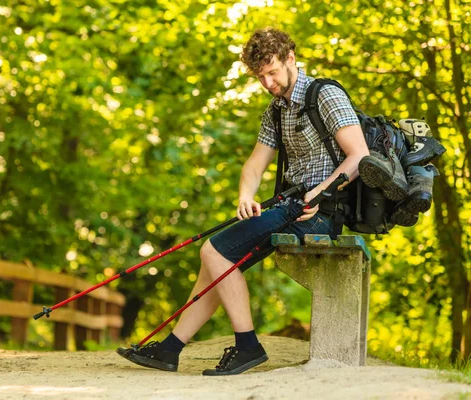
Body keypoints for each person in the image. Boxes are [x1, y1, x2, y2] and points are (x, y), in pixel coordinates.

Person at [117, 28, 370, 375]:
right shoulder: (276, 110)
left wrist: (321, 192)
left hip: (322, 211)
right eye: (260, 76)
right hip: (290, 208)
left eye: (272, 72)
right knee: (216, 263)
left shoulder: (325, 95)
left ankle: (247, 345)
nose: (268, 83)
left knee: (214, 251)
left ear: (291, 59)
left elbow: (359, 156)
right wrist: (245, 196)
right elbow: (255, 164)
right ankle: (170, 350)